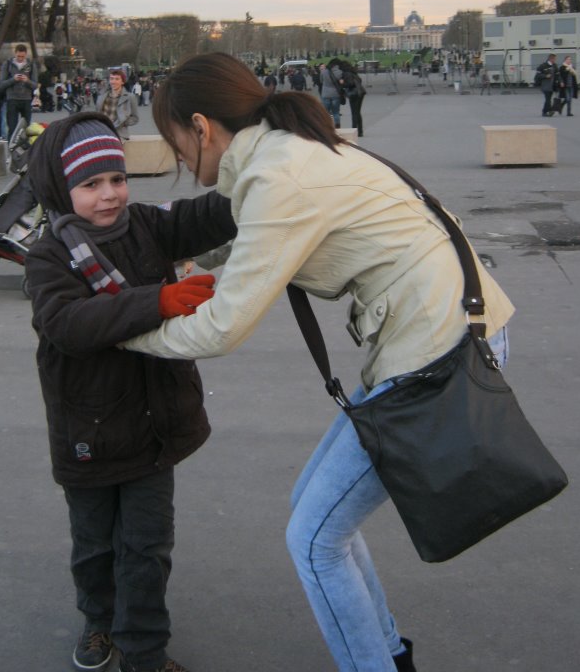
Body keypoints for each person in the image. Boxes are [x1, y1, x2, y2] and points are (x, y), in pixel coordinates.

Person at [126, 53, 515, 672]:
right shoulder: (290, 150)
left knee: (313, 540)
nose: (175, 157)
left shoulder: (279, 174)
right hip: (445, 333)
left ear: (200, 127)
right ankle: (385, 652)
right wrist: (194, 271)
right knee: (314, 511)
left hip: (435, 352)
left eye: (173, 140)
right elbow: (261, 236)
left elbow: (224, 327)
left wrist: (124, 334)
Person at [24, 111, 237, 672]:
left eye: (116, 179)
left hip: (153, 426)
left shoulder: (147, 224)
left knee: (147, 547)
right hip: (87, 431)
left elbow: (211, 215)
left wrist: (264, 167)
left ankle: (144, 650)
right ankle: (99, 620)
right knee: (94, 546)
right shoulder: (49, 256)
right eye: (91, 185)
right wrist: (158, 301)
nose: (110, 195)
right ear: (61, 190)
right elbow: (68, 325)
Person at [0, 43, 38, 138]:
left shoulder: (31, 65)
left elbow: (35, 85)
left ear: (26, 54)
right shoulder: (7, 64)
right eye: (18, 56)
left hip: (26, 99)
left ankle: (25, 147)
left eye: (22, 56)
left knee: (26, 126)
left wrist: (27, 81)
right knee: (12, 127)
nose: (20, 58)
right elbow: (2, 84)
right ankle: (11, 147)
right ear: (15, 53)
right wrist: (13, 79)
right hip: (12, 98)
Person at [96, 69, 139, 140]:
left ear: (122, 82)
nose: (113, 81)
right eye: (111, 79)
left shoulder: (130, 97)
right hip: (102, 133)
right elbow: (97, 115)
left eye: (117, 79)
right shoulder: (101, 96)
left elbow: (135, 118)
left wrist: (123, 123)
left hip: (120, 134)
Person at [340, 60, 366, 137]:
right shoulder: (353, 72)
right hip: (360, 92)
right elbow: (359, 80)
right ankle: (360, 131)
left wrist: (342, 83)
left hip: (354, 94)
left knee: (354, 112)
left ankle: (354, 130)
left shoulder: (346, 74)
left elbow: (350, 84)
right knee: (358, 112)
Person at [320, 59, 345, 127]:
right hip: (335, 93)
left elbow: (321, 81)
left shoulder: (323, 72)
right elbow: (341, 83)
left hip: (325, 93)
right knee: (336, 112)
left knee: (326, 112)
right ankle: (337, 124)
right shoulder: (340, 72)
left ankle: (326, 125)